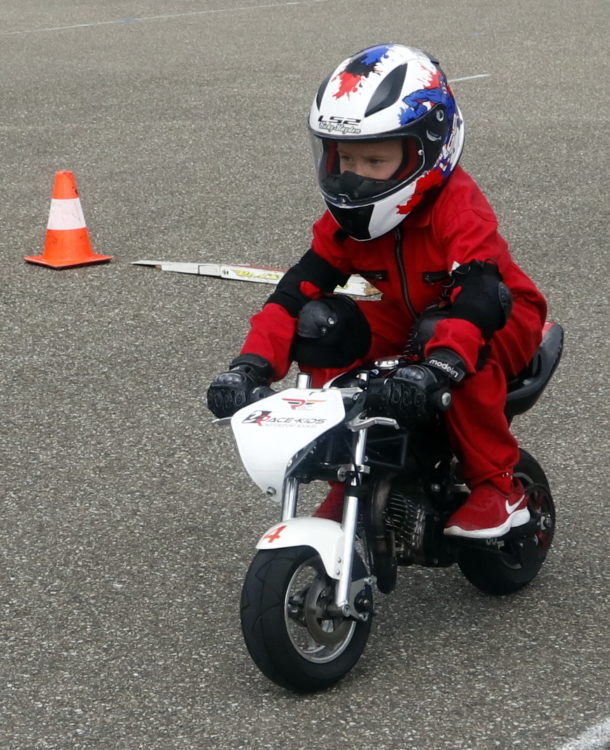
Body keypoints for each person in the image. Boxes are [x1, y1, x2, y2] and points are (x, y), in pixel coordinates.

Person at [206, 44, 547, 539]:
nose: (354, 174)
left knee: (451, 344)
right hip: (410, 317)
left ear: (427, 149)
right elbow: (293, 295)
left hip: (498, 317)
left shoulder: (458, 207)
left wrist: (439, 365)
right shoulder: (344, 223)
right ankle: (349, 477)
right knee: (322, 325)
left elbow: (478, 295)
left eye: (374, 159)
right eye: (345, 157)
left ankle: (498, 487)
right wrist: (248, 366)